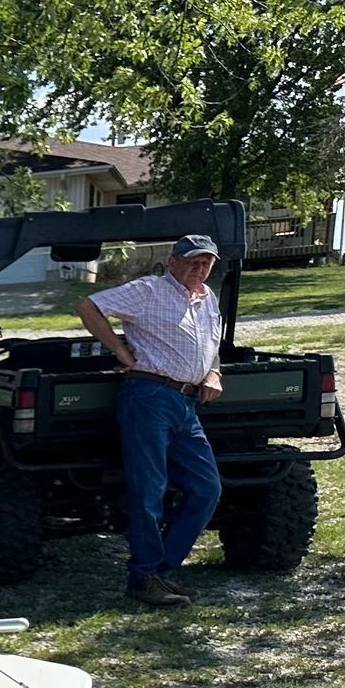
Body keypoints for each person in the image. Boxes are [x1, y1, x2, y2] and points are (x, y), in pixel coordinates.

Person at [76, 235, 225, 608]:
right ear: (173, 262)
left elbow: (211, 345)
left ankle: (160, 571)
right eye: (192, 261)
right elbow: (88, 305)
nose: (200, 268)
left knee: (206, 488)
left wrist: (214, 372)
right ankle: (144, 576)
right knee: (149, 490)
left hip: (187, 401)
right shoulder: (148, 290)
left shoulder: (208, 297)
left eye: (206, 262)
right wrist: (119, 349)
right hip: (150, 395)